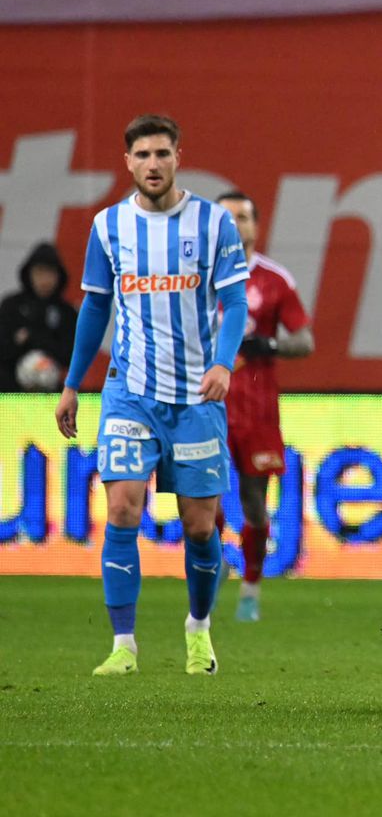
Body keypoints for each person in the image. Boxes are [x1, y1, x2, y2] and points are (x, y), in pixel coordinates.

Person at [54, 114, 249, 676]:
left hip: (196, 398)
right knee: (121, 508)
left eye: (162, 153)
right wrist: (72, 384)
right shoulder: (108, 226)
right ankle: (123, 645)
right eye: (142, 155)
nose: (153, 164)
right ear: (128, 163)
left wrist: (222, 363)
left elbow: (234, 303)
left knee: (200, 526)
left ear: (178, 157)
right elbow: (95, 306)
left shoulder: (213, 223)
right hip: (129, 392)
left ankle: (198, 628)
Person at [215, 191, 314, 623]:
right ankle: (211, 563)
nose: (235, 225)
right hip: (208, 405)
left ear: (255, 225)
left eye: (242, 217)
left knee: (254, 502)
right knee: (204, 500)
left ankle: (250, 590)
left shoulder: (274, 279)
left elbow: (304, 341)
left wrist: (267, 344)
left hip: (256, 408)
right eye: (226, 217)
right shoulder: (195, 277)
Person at [0, 241, 78, 392]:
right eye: (39, 272)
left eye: (50, 273)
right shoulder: (11, 306)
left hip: (50, 393)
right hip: (8, 392)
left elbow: (70, 355)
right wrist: (17, 344)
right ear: (29, 274)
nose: (44, 279)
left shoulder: (66, 313)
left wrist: (32, 338)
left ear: (58, 276)